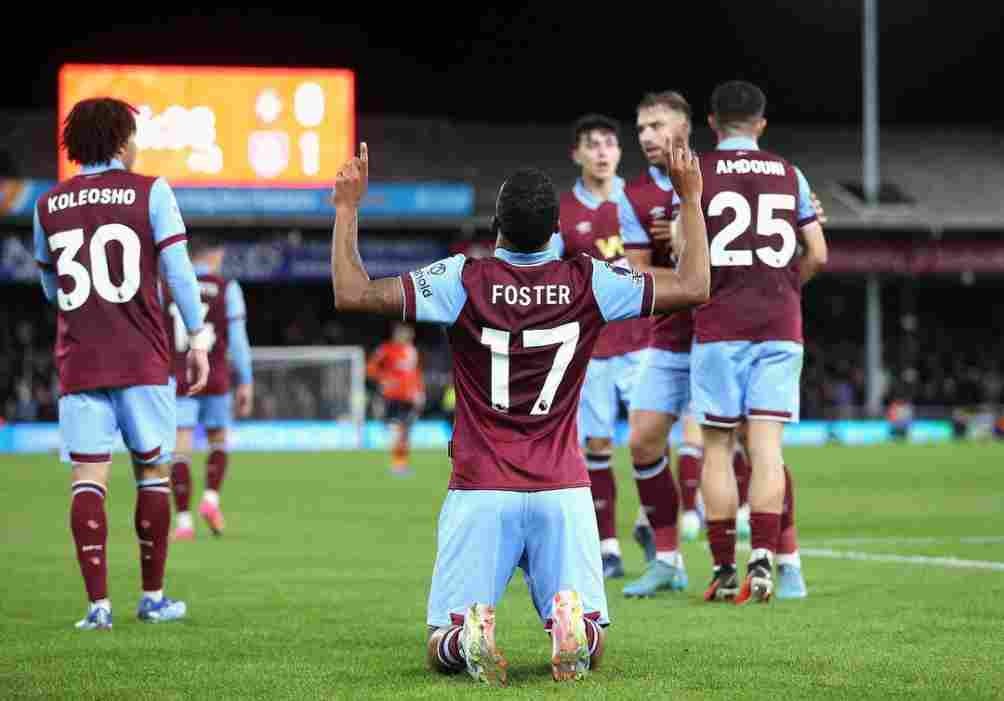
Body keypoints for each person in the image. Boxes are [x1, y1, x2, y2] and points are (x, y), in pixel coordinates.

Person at [330, 139, 708, 683]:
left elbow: (353, 292)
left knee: (443, 646)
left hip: (481, 489)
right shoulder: (590, 280)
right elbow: (694, 285)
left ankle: (468, 636)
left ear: (496, 227)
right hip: (564, 491)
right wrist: (689, 198)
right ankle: (573, 627)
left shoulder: (462, 280)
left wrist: (348, 208)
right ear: (557, 229)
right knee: (593, 647)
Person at [33, 97, 211, 629]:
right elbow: (179, 273)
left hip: (81, 361)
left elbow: (50, 288)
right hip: (142, 357)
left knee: (89, 480)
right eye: (132, 135)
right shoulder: (151, 191)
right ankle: (152, 598)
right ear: (118, 141)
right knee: (152, 475)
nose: (137, 144)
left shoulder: (47, 204)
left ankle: (97, 607)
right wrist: (198, 336)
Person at [692, 80, 827, 604]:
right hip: (778, 324)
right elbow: (816, 252)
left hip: (719, 324)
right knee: (767, 449)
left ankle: (725, 569)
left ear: (712, 122)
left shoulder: (698, 172)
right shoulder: (789, 173)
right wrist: (785, 287)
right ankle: (765, 560)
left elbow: (685, 250)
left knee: (718, 450)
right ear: (761, 125)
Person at [552, 113, 650, 578]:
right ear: (577, 154)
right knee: (596, 444)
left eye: (609, 143)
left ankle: (655, 527)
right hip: (592, 348)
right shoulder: (563, 213)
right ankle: (608, 547)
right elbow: (551, 274)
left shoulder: (640, 201)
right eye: (591, 144)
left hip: (645, 340)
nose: (602, 151)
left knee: (648, 439)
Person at [618, 91, 697, 597]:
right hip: (668, 334)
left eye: (657, 124)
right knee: (644, 439)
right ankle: (668, 558)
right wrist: (684, 263)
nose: (646, 135)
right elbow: (640, 275)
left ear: (685, 126)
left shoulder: (716, 178)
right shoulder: (634, 198)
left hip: (723, 332)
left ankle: (775, 555)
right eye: (641, 126)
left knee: (747, 448)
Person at [166, 235, 253, 539]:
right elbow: (239, 342)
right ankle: (210, 499)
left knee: (180, 452)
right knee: (218, 441)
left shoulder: (169, 286)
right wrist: (245, 381)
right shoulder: (228, 288)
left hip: (179, 379)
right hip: (215, 377)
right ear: (215, 255)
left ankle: (184, 523)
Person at [366, 322, 425, 476]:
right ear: (397, 335)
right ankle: (398, 465)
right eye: (405, 334)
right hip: (393, 396)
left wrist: (419, 391)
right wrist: (383, 379)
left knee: (406, 431)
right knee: (398, 430)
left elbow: (415, 373)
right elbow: (371, 368)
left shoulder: (412, 351)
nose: (408, 337)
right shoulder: (386, 349)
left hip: (409, 397)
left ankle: (401, 464)